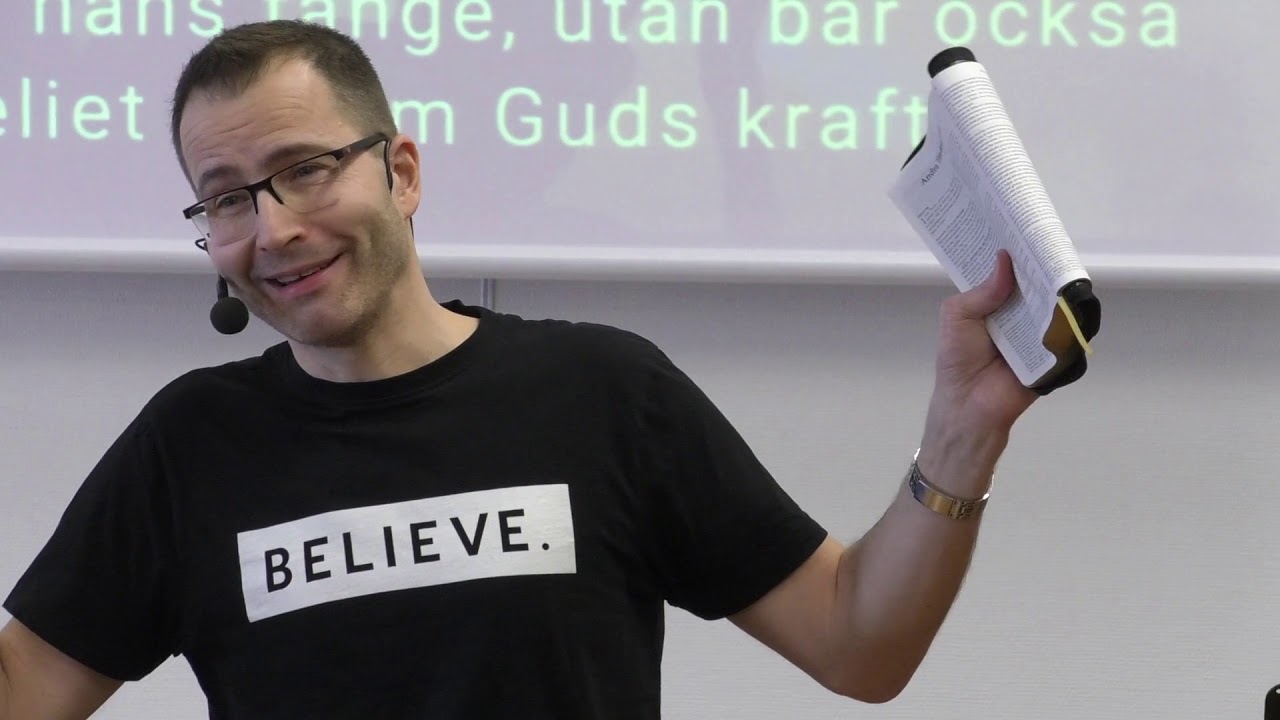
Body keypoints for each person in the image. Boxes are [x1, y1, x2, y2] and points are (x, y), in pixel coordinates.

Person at [0, 20, 1039, 720]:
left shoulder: (603, 393)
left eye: (305, 170)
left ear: (401, 172)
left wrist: (963, 431)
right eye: (228, 197)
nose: (274, 229)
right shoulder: (189, 446)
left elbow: (858, 645)